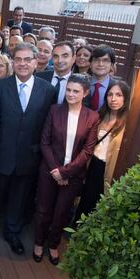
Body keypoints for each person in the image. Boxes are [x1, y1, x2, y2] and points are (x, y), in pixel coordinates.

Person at [0, 43, 55, 255]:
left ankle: (12, 233)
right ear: (13, 62)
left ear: (35, 62)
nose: (22, 63)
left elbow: (47, 125)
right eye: (18, 59)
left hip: (29, 156)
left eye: (27, 59)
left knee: (19, 200)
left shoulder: (48, 91)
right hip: (0, 154)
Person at [33, 74, 99, 265]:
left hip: (73, 176)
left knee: (61, 212)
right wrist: (56, 170)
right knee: (43, 209)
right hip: (49, 171)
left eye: (75, 91)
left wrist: (66, 172)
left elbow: (88, 150)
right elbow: (44, 143)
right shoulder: (54, 110)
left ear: (85, 93)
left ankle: (53, 245)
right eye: (68, 90)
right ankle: (38, 242)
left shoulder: (92, 117)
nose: (70, 94)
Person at [75, 79, 130, 219]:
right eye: (110, 94)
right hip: (92, 164)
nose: (113, 99)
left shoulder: (128, 123)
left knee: (99, 203)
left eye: (119, 95)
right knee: (85, 199)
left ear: (126, 98)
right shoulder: (100, 116)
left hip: (109, 168)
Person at [86, 44, 115, 111]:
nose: (100, 64)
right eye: (96, 60)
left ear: (112, 65)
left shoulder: (117, 87)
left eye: (105, 60)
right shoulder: (81, 83)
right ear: (90, 64)